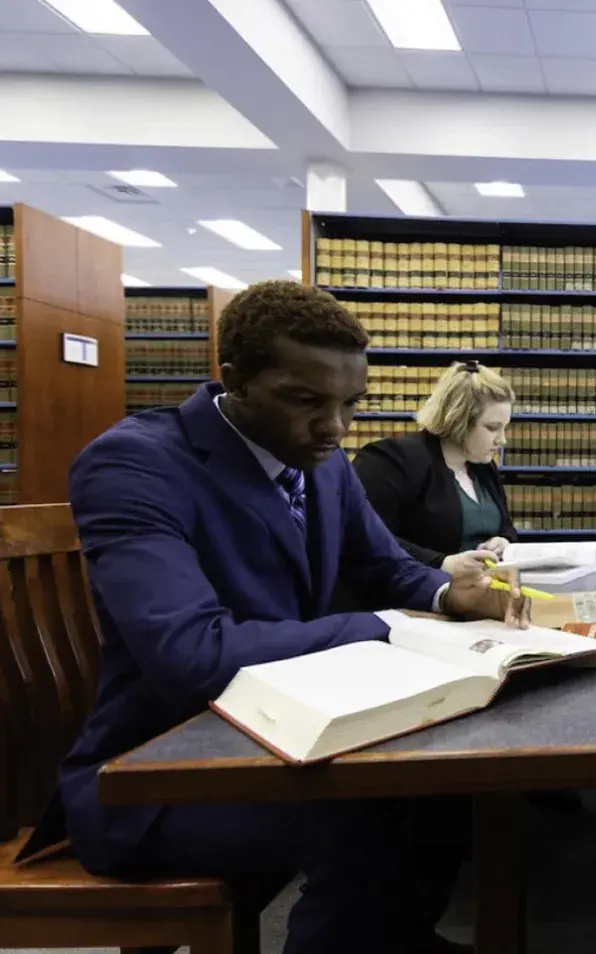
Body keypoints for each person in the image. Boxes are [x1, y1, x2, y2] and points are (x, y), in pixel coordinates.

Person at [57, 281, 529, 954]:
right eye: (306, 401)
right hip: (157, 777)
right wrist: (386, 627)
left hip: (293, 735)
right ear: (235, 380)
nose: (335, 428)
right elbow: (192, 653)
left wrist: (449, 596)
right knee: (367, 814)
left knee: (444, 789)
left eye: (350, 404)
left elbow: (385, 567)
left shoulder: (321, 462)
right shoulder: (136, 465)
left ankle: (391, 937)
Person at [354, 360, 517, 574]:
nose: (502, 440)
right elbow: (364, 535)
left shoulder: (483, 468)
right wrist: (441, 563)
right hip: (418, 588)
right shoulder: (392, 460)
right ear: (458, 420)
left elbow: (506, 526)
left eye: (505, 428)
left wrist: (503, 541)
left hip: (483, 587)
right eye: (492, 428)